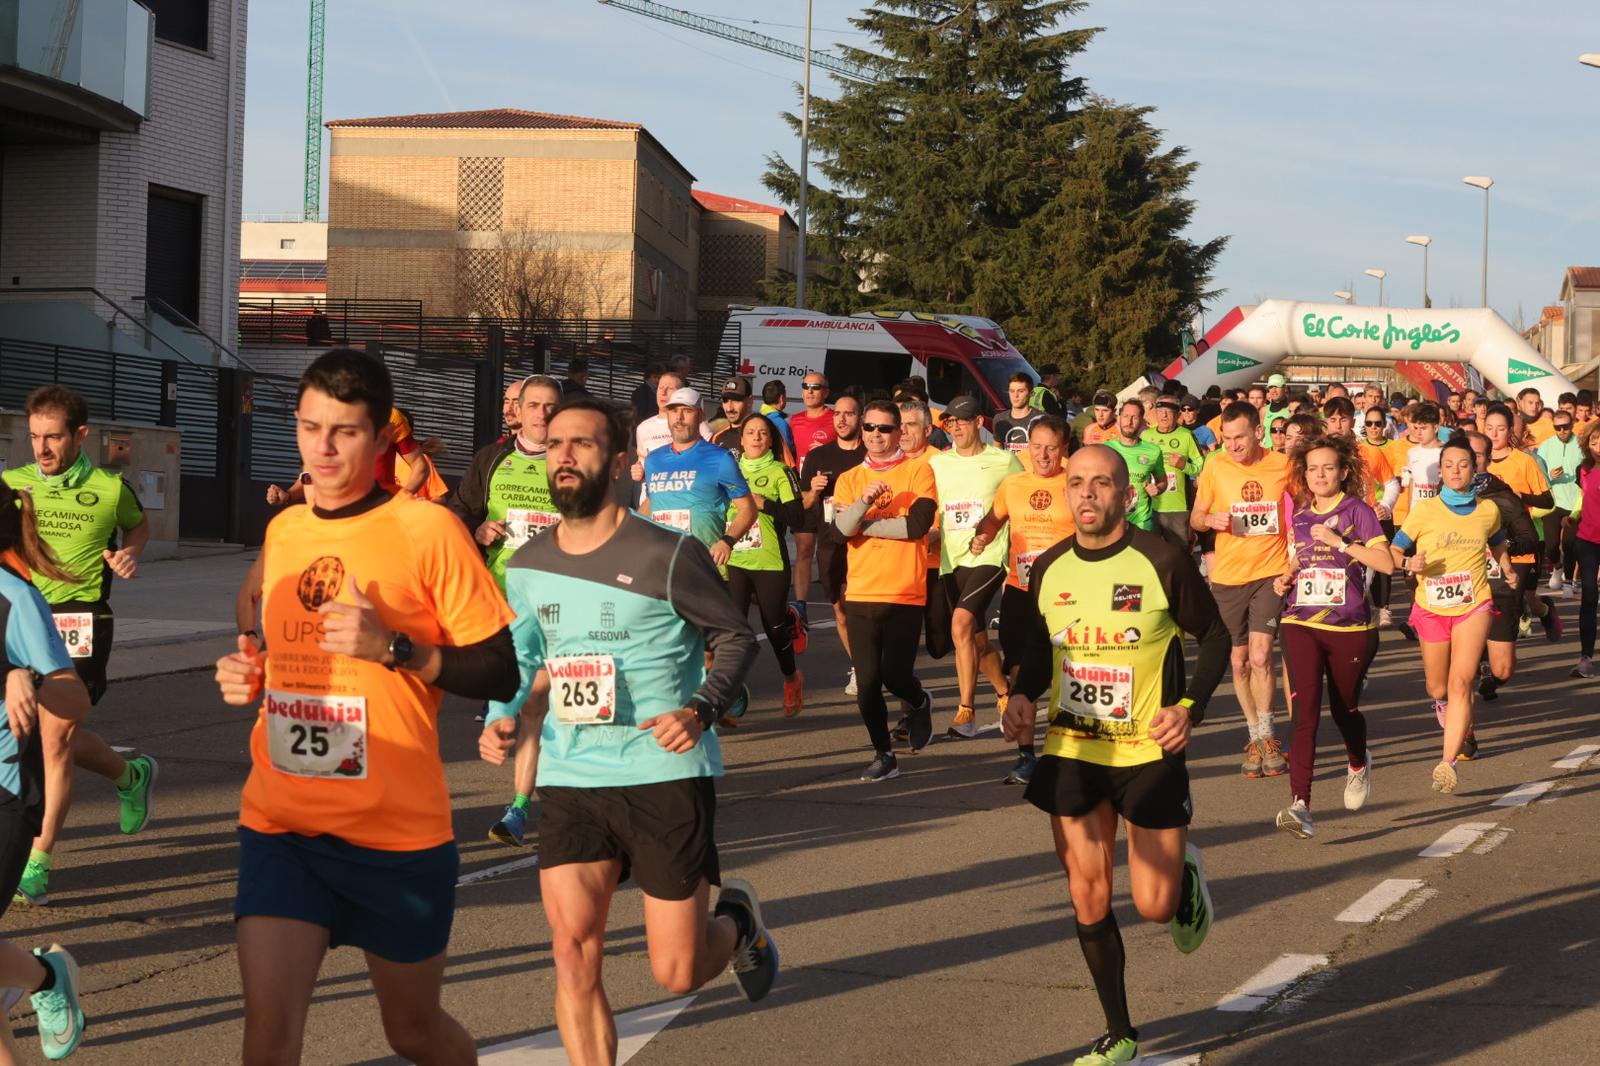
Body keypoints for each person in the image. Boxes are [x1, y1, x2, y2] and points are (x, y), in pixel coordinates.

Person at [212, 347, 521, 1065]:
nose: (322, 448)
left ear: (382, 437)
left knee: (413, 1033)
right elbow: (283, 651)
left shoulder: (428, 530)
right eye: (309, 427)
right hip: (282, 826)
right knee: (267, 1040)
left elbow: (500, 666)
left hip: (395, 837)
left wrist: (395, 648)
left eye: (344, 432)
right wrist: (252, 675)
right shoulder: (286, 529)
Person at [477, 397, 775, 1062]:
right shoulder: (527, 564)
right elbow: (521, 656)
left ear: (617, 464)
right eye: (555, 443)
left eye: (580, 444)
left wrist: (700, 708)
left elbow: (734, 637)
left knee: (677, 970)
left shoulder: (667, 553)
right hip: (572, 774)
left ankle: (738, 923)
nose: (563, 456)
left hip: (662, 771)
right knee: (571, 954)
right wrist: (501, 717)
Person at [1001, 445, 1226, 1066]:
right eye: (1077, 482)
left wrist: (1189, 708)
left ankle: (1183, 877)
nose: (1087, 493)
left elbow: (1214, 635)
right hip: (1073, 748)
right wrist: (1020, 695)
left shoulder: (1162, 560)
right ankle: (1119, 1031)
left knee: (1154, 906)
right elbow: (1042, 650)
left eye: (1101, 483)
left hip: (1147, 750)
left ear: (1126, 495)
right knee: (1088, 894)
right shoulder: (1049, 567)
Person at [1, 385, 157, 906]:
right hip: (19, 618)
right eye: (35, 437)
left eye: (53, 437)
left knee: (55, 740)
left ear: (80, 435)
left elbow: (138, 527)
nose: (42, 448)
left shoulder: (111, 489)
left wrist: (130, 554)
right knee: (30, 735)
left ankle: (36, 863)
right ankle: (129, 774)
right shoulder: (12, 484)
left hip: (80, 620)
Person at [448, 375, 564, 847]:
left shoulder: (572, 462)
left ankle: (554, 796)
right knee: (534, 704)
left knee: (555, 706)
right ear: (519, 409)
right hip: (504, 602)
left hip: (560, 603)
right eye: (533, 405)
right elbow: (459, 511)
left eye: (550, 406)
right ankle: (520, 807)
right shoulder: (492, 459)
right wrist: (476, 531)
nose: (541, 414)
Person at [0, 481, 94, 1060]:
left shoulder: (14, 598)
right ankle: (39, 978)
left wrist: (29, 677)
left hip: (4, 792)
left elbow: (74, 699)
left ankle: (46, 978)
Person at [1272, 435, 1393, 839]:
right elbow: (1300, 559)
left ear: (1343, 472)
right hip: (1300, 621)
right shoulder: (1302, 515)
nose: (1320, 475)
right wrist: (1286, 577)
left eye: (1328, 468)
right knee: (1304, 709)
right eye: (1312, 469)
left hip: (1350, 626)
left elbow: (1385, 563)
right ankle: (1300, 805)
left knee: (1345, 710)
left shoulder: (1358, 511)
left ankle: (1358, 762)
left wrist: (1342, 542)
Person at [1391, 437, 1512, 794]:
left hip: (1474, 604)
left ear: (1475, 469)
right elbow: (1395, 550)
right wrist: (1409, 563)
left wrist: (1506, 567)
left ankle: (1447, 762)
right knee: (1438, 687)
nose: (1456, 471)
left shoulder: (1488, 510)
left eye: (1463, 464)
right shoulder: (1425, 510)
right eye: (1449, 465)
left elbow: (1497, 540)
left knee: (1462, 681)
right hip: (1431, 607)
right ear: (1440, 472)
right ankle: (1447, 710)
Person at [833, 400, 938, 781]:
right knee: (867, 685)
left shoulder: (918, 471)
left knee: (895, 676)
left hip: (904, 591)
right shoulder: (849, 479)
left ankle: (919, 700)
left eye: (885, 428)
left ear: (899, 432)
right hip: (861, 591)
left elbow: (917, 526)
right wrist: (864, 502)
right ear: (862, 430)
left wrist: (862, 523)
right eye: (870, 427)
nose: (876, 435)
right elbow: (839, 531)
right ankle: (884, 754)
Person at [968, 415, 1074, 784]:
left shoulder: (1075, 485)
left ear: (1064, 449)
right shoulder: (1013, 484)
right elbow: (993, 520)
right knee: (1018, 672)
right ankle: (1026, 756)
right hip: (1019, 592)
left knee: (1065, 674)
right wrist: (982, 536)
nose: (1042, 455)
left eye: (1051, 448)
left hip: (1065, 597)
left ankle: (1067, 751)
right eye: (1037, 446)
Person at [1190, 401, 1292, 779]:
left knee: (1262, 656)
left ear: (1258, 433)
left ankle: (1268, 736)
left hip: (1270, 572)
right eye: (1227, 439)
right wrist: (1209, 519)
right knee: (1239, 661)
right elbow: (1196, 518)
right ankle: (1253, 736)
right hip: (1229, 577)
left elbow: (1305, 507)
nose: (1232, 446)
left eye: (1239, 438)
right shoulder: (1215, 465)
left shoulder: (1281, 465)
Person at [928, 395, 1022, 742]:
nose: (955, 428)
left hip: (989, 555)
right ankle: (1003, 691)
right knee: (976, 641)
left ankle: (966, 710)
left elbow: (1023, 498)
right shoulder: (938, 463)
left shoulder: (1004, 461)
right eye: (950, 423)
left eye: (962, 421)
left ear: (979, 423)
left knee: (961, 623)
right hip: (952, 558)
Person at [725, 414, 807, 716]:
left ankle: (791, 678)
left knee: (774, 628)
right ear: (741, 440)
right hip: (735, 560)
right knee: (732, 629)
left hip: (769, 561)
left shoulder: (780, 472)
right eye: (751, 432)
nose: (757, 437)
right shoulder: (728, 471)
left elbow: (798, 518)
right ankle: (730, 690)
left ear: (771, 440)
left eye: (762, 433)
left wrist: (765, 505)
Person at [1463, 430, 1539, 734]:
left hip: (1496, 587)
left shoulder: (1502, 497)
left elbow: (1529, 539)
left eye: (1477, 456)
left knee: (1503, 669)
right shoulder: (1444, 497)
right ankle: (1464, 732)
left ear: (1486, 459)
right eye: (1465, 455)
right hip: (1460, 592)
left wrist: (1499, 545)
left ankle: (1490, 674)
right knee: (1459, 673)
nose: (1469, 462)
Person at [798, 394, 866, 695]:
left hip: (865, 542)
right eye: (837, 413)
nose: (842, 419)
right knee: (840, 611)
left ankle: (868, 665)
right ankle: (860, 666)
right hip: (829, 542)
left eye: (848, 414)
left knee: (864, 609)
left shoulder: (869, 454)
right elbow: (803, 503)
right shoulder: (818, 456)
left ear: (859, 418)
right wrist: (813, 491)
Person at [1484, 403, 1561, 643]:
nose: (1494, 434)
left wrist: (1520, 496)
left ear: (1510, 431)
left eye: (1500, 429)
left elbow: (1548, 501)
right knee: (1486, 603)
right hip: (1485, 544)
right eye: (1489, 428)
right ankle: (1486, 656)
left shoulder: (1524, 461)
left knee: (1512, 603)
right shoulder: (1477, 461)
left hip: (1520, 543)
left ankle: (1503, 653)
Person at [787, 372, 837, 625]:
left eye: (815, 387)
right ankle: (801, 605)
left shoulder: (835, 419)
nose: (809, 391)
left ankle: (841, 601)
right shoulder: (794, 421)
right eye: (805, 386)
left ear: (825, 392)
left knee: (830, 552)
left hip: (831, 493)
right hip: (805, 494)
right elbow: (788, 456)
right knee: (804, 550)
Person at [1142, 396, 1203, 545]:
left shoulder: (1186, 435)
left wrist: (1184, 466)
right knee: (1152, 551)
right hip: (1151, 506)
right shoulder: (1146, 436)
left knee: (1178, 553)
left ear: (1177, 414)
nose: (1163, 415)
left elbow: (1201, 467)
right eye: (1160, 411)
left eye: (1168, 412)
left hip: (1178, 507)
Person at [1537, 410, 1582, 595]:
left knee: (1570, 544)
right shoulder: (1546, 446)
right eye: (1558, 427)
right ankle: (1557, 567)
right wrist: (1549, 475)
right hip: (1553, 503)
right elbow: (1538, 474)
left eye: (1566, 426)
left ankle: (1568, 584)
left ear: (1572, 425)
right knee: (1551, 545)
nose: (1562, 431)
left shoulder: (1582, 444)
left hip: (1575, 503)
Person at [1571, 420, 1600, 678]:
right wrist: (1572, 516)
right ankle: (1586, 657)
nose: (1598, 447)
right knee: (1589, 596)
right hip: (1587, 540)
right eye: (1593, 442)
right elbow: (1584, 500)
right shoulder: (1583, 469)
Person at [995, 372, 1045, 453]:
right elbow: (997, 450)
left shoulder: (1042, 419)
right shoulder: (1000, 419)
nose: (1015, 395)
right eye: (1012, 391)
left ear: (1031, 393)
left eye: (1021, 391)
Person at [713, 376, 758, 454]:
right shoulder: (716, 438)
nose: (729, 408)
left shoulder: (763, 434)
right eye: (725, 400)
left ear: (750, 401)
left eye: (736, 400)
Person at [759, 379, 796, 456]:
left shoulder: (757, 419)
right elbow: (789, 450)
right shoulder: (780, 423)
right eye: (785, 396)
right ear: (781, 398)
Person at [631, 362, 665, 428]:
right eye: (655, 377)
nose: (657, 380)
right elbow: (639, 414)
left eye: (660, 377)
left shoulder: (660, 390)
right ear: (648, 377)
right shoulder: (640, 392)